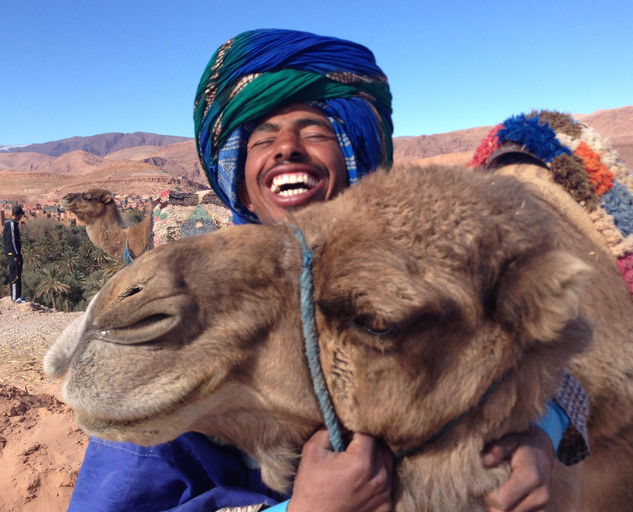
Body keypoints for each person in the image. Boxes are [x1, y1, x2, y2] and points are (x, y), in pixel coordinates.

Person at [68, 29, 589, 512]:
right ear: (240, 178)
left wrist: (541, 431)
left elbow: (556, 359)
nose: (286, 148)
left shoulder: (407, 274)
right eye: (261, 138)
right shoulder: (189, 316)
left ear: (355, 152)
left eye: (313, 131)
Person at [3, 205, 28, 304]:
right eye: (21, 215)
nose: (21, 217)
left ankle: (18, 295)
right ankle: (15, 297)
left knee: (18, 273)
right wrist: (15, 254)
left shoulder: (12, 223)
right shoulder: (11, 224)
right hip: (13, 254)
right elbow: (12, 240)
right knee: (14, 275)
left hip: (15, 254)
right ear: (18, 215)